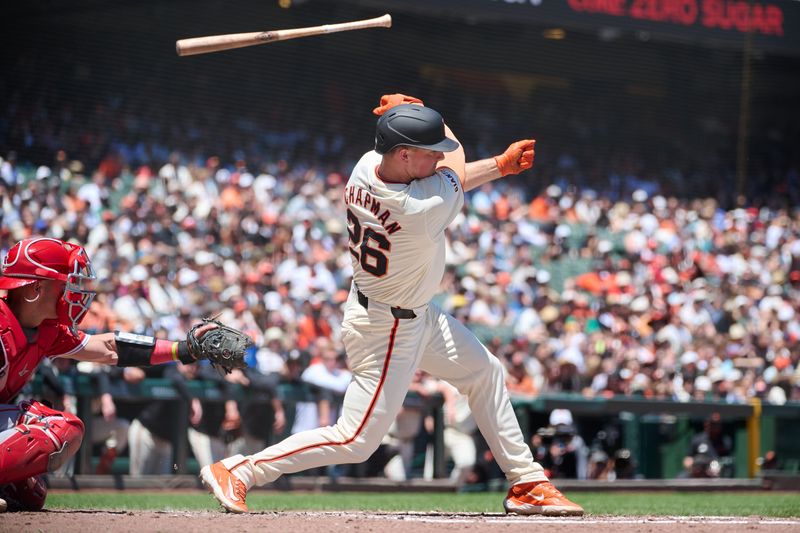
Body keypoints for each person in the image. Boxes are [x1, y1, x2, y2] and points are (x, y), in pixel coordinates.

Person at [201, 94, 583, 516]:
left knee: (484, 371)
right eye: (427, 152)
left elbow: (442, 174)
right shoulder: (418, 208)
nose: (437, 158)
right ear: (402, 154)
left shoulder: (367, 165)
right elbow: (451, 171)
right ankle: (242, 470)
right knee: (355, 439)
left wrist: (494, 163)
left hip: (406, 310)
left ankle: (526, 481)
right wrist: (428, 111)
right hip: (388, 327)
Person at [0, 237, 214, 512]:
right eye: (63, 283)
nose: (70, 291)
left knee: (31, 493)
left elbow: (109, 348)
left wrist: (183, 350)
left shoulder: (46, 329)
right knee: (56, 429)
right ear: (35, 288)